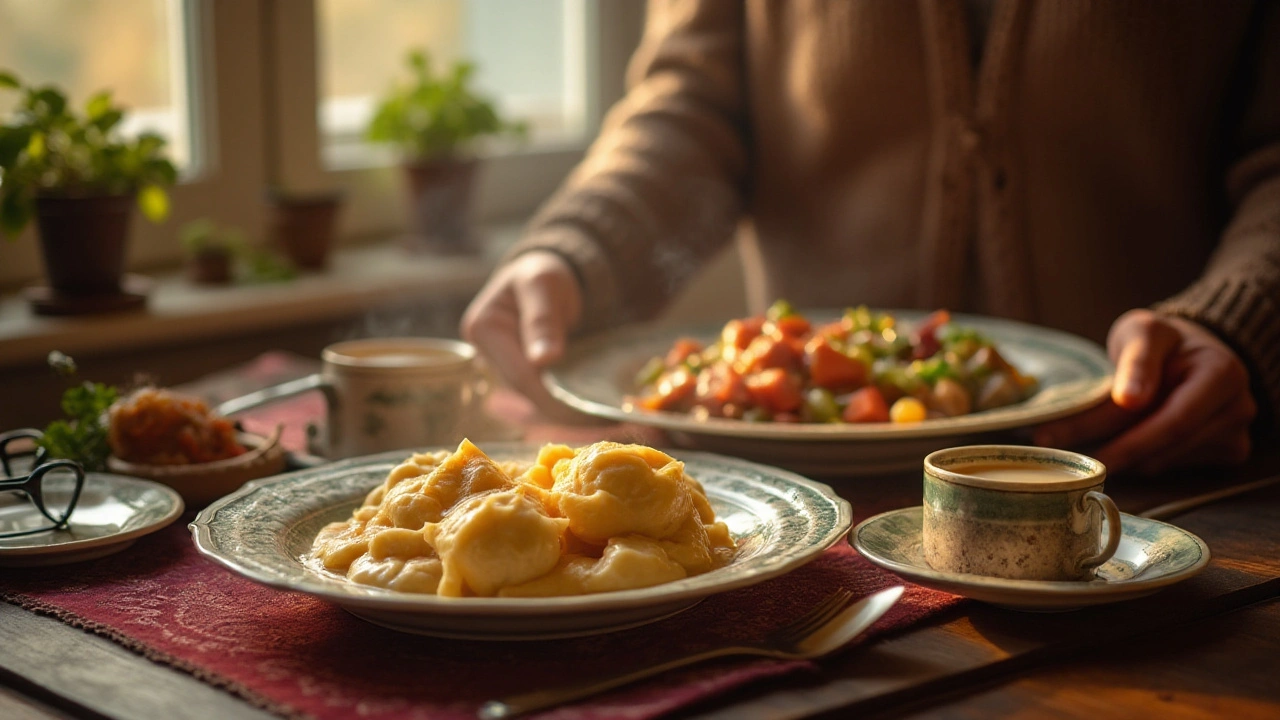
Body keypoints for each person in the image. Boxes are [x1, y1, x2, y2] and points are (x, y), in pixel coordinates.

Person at [463, 0, 1279, 475]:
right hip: (803, 504)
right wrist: (574, 252)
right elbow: (693, 109)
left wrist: (1236, 322)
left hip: (1147, 471)